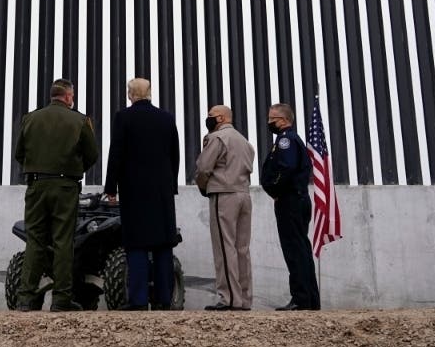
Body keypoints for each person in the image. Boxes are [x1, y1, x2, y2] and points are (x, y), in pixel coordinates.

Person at [14, 78, 99, 311]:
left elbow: (19, 153)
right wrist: (73, 169)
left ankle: (26, 298)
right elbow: (92, 155)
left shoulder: (30, 119)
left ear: (52, 96)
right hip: (65, 188)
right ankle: (61, 299)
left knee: (35, 241)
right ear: (69, 97)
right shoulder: (80, 121)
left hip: (36, 186)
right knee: (63, 241)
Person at [103, 77, 181, 310]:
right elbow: (174, 155)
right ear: (150, 94)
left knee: (136, 244)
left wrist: (111, 188)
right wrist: (171, 185)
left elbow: (116, 153)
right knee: (163, 245)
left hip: (134, 190)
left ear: (130, 94)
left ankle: (138, 300)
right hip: (161, 192)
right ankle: (164, 299)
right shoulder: (166, 118)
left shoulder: (123, 117)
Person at [194, 104, 256, 311]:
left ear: (220, 118)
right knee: (242, 248)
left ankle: (229, 298)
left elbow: (203, 168)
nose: (208, 119)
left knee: (224, 246)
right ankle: (245, 299)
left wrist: (203, 186)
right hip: (244, 194)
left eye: (211, 115)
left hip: (224, 194)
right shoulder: (245, 142)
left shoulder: (217, 138)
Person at [261, 102, 320, 310]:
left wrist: (274, 190)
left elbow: (285, 169)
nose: (269, 123)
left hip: (290, 201)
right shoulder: (290, 140)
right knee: (302, 250)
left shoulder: (286, 140)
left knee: (295, 251)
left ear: (284, 120)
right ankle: (310, 299)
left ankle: (301, 299)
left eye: (272, 119)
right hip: (298, 199)